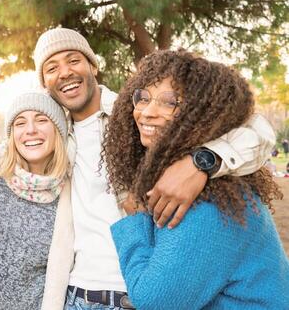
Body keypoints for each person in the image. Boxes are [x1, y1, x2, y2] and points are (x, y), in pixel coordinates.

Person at [32, 28, 276, 309]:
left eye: (73, 60)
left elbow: (257, 129)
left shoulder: (130, 112)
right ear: (44, 82)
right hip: (77, 291)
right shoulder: (51, 132)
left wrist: (202, 162)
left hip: (134, 288)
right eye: (51, 67)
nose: (64, 72)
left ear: (93, 65)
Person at [105, 49, 289, 309]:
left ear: (204, 112)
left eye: (170, 101)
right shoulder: (195, 181)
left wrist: (134, 219)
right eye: (142, 98)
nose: (147, 112)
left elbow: (153, 302)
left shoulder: (208, 205)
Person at [0, 91, 73, 310]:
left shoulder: (71, 187)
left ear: (58, 130)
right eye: (20, 123)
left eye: (42, 120)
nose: (30, 130)